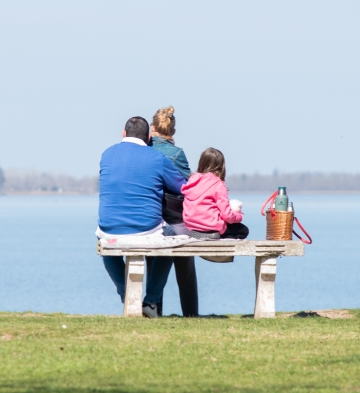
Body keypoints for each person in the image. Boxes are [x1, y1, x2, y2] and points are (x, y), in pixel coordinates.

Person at [97, 116, 186, 317]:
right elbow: (182, 186)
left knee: (103, 240)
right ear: (148, 137)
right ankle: (151, 301)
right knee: (173, 240)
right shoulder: (157, 158)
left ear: (123, 134)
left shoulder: (106, 154)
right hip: (147, 229)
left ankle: (126, 294)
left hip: (108, 229)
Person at [146, 106, 198, 317]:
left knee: (154, 268)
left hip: (153, 217)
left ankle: (154, 311)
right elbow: (189, 185)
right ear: (172, 131)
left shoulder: (145, 151)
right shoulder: (177, 154)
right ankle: (191, 314)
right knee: (185, 271)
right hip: (177, 219)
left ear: (152, 128)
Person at [182, 148, 249, 240]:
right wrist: (238, 216)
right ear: (221, 166)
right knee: (244, 230)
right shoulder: (218, 184)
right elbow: (227, 215)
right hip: (212, 228)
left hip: (193, 228)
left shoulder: (192, 181)